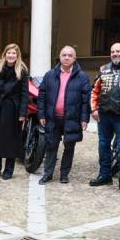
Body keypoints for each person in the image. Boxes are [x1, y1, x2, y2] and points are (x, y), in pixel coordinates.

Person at [36, 46, 91, 185]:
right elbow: (41, 96)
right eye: (64, 55)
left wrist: (84, 118)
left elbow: (86, 100)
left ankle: (64, 174)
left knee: (69, 146)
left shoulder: (82, 77)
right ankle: (48, 174)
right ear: (59, 57)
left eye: (70, 55)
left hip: (72, 118)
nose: (67, 57)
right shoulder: (49, 75)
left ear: (74, 58)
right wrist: (41, 114)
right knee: (51, 146)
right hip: (52, 117)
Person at [90, 43, 120, 189]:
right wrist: (94, 109)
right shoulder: (103, 69)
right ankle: (105, 175)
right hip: (104, 115)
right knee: (103, 145)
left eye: (118, 51)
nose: (115, 54)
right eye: (112, 52)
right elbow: (95, 91)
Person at [0, 43, 30, 179]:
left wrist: (22, 113)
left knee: (10, 139)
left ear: (17, 55)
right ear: (5, 54)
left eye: (14, 53)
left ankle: (9, 169)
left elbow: (24, 94)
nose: (11, 55)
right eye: (9, 53)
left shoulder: (22, 71)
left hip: (13, 108)